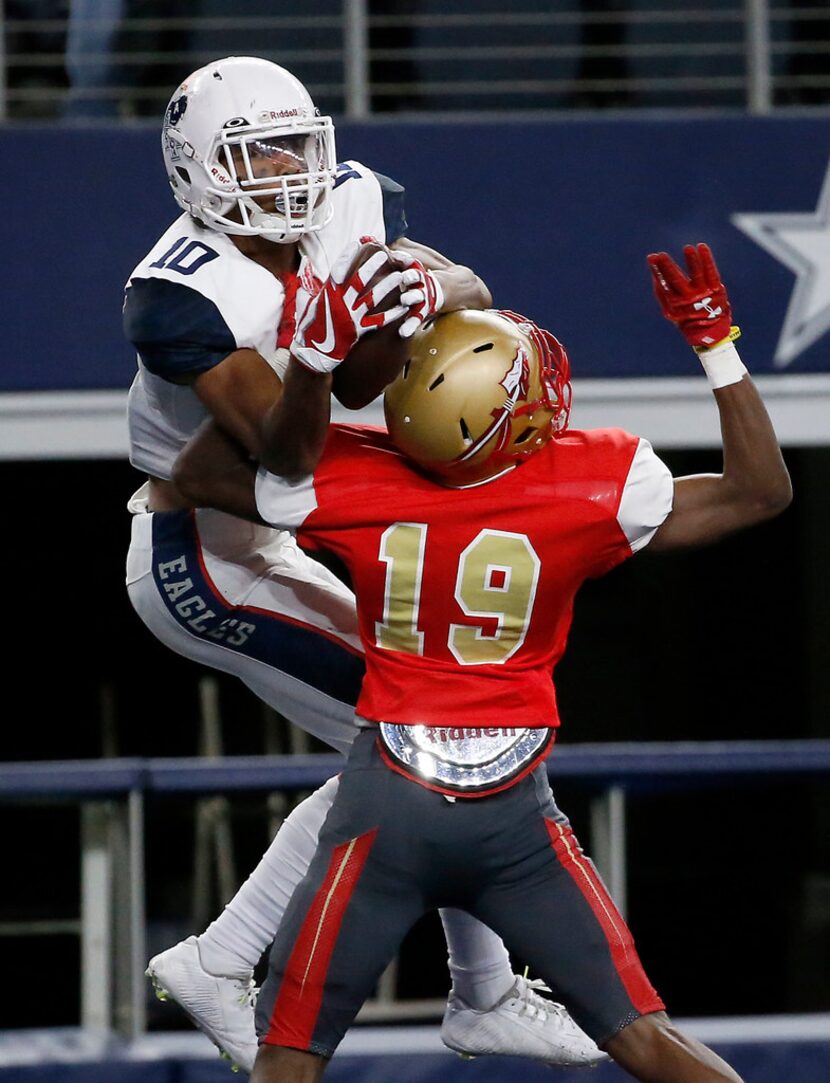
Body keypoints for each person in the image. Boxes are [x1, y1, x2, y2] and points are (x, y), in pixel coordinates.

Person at [171, 241, 792, 1083]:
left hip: (385, 803)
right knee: (645, 1035)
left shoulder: (352, 482)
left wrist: (312, 361)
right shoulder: (587, 484)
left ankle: (467, 992)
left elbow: (198, 473)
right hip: (512, 818)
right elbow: (760, 489)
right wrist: (716, 345)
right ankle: (489, 996)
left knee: (288, 1054)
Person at [125, 55, 600, 1073]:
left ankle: (477, 996)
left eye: (297, 144)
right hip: (202, 553)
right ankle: (227, 958)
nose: (288, 172)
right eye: (256, 155)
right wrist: (320, 337)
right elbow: (283, 455)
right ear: (198, 171)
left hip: (268, 534)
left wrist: (412, 286)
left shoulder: (343, 201)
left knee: (447, 718)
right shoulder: (179, 294)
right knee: (414, 736)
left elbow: (446, 302)